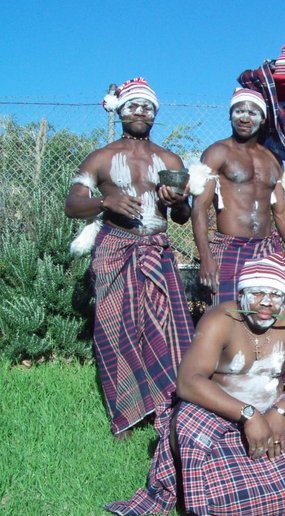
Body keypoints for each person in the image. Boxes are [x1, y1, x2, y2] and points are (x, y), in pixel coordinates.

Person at [106, 253, 285, 516]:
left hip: (272, 412)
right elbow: (188, 382)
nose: (266, 303)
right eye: (257, 294)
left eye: (275, 295)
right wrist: (248, 414)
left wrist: (282, 411)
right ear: (242, 294)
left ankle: (250, 488)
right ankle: (231, 495)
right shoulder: (219, 319)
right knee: (189, 425)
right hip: (220, 412)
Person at [64, 77, 194, 439]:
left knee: (167, 329)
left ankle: (170, 404)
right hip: (115, 247)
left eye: (147, 107)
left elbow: (183, 216)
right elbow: (72, 204)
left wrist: (178, 201)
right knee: (113, 329)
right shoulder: (101, 158)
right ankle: (125, 411)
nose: (140, 112)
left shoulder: (169, 159)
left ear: (155, 114)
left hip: (156, 249)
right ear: (121, 111)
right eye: (133, 106)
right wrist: (106, 202)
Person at [192, 88, 285, 311]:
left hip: (267, 248)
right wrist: (205, 257)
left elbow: (281, 211)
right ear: (230, 115)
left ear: (263, 119)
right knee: (225, 317)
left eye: (252, 113)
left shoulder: (273, 160)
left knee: (283, 315)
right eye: (239, 111)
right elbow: (199, 207)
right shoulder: (217, 152)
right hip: (228, 248)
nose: (244, 117)